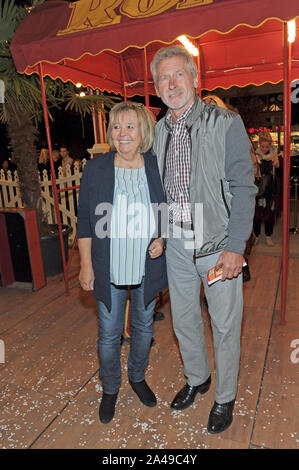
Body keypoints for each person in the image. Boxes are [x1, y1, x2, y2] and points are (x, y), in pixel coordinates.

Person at [151, 45, 257, 434]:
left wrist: (235, 246)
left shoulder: (225, 122)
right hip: (175, 243)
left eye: (179, 74)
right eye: (164, 78)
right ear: (157, 87)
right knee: (184, 319)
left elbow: (244, 187)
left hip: (216, 243)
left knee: (226, 324)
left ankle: (225, 396)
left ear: (196, 79)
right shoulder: (158, 130)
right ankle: (198, 379)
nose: (172, 83)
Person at [77, 101, 168, 425]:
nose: (122, 133)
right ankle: (111, 388)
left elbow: (165, 209)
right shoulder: (96, 169)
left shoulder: (154, 165)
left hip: (146, 267)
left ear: (142, 132)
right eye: (117, 126)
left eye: (130, 126)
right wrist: (86, 265)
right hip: (109, 268)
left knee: (143, 329)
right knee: (109, 335)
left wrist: (161, 237)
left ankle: (138, 377)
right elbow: (86, 222)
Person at [253, 132, 280, 246]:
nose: (264, 149)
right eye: (262, 146)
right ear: (259, 144)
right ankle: (257, 236)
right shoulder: (254, 155)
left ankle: (268, 236)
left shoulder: (275, 155)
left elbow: (280, 172)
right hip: (257, 190)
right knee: (256, 215)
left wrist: (277, 164)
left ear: (270, 145)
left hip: (270, 191)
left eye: (267, 146)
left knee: (270, 215)